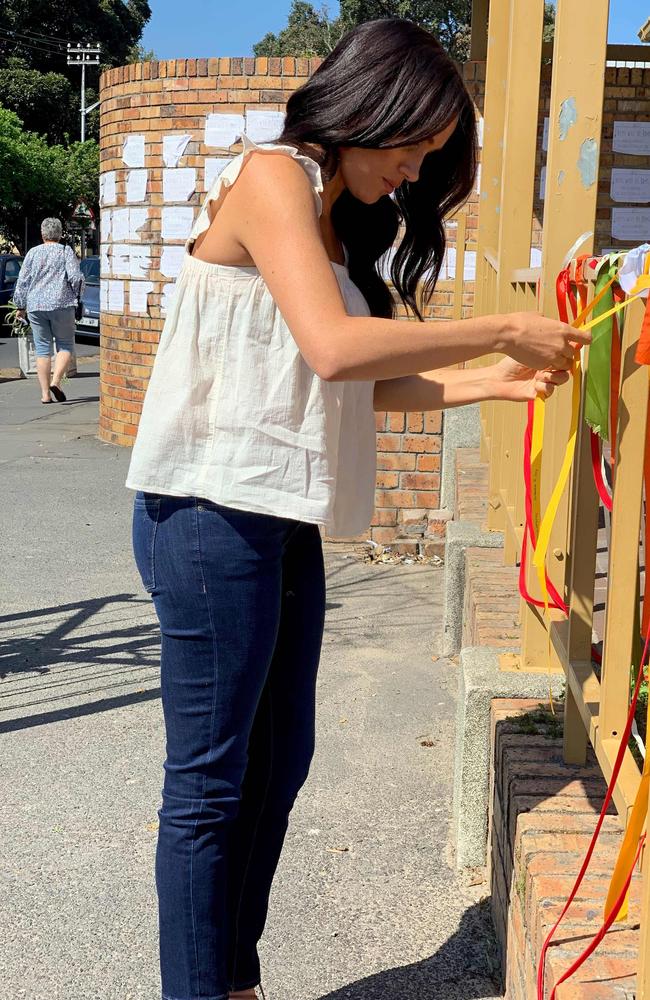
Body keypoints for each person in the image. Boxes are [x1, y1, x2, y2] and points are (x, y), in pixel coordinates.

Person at [126, 19, 588, 1000]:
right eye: (413, 151)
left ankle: (231, 978)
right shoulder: (272, 178)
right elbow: (334, 348)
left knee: (276, 762)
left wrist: (496, 380)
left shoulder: (333, 221)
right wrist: (502, 322)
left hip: (274, 518)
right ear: (370, 111)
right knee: (210, 783)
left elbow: (358, 388)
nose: (415, 177)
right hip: (208, 515)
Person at [13, 217, 84, 404]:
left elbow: (22, 281)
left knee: (42, 349)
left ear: (42, 234)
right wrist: (78, 294)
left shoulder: (32, 253)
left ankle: (45, 394)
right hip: (62, 304)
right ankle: (56, 381)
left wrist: (20, 306)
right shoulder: (65, 251)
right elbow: (76, 277)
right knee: (66, 344)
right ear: (60, 234)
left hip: (36, 306)